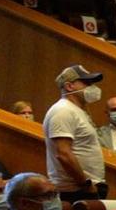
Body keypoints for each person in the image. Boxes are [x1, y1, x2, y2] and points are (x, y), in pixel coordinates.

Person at [43, 65, 107, 201]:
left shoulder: (77, 110)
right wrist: (85, 184)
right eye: (87, 83)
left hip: (84, 188)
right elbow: (63, 154)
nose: (92, 87)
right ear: (69, 86)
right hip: (75, 191)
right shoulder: (63, 111)